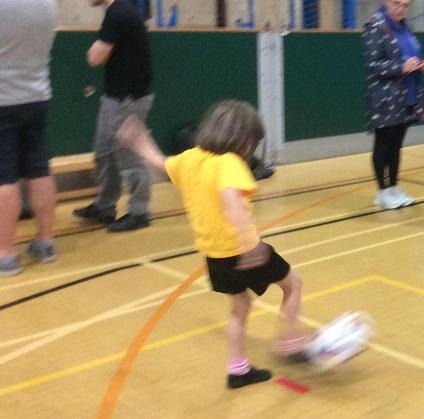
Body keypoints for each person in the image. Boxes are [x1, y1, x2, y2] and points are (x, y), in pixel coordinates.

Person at [118, 100, 309, 389]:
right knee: (293, 284)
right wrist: (248, 246)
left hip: (214, 255)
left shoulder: (191, 159)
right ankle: (289, 340)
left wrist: (140, 141)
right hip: (242, 249)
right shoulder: (229, 163)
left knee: (240, 305)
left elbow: (158, 163)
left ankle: (238, 369)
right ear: (244, 141)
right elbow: (231, 201)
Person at [73, 0, 153, 232]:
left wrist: (94, 52)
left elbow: (95, 57)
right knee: (104, 153)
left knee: (129, 156)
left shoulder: (119, 13)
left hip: (128, 99)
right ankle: (104, 206)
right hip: (116, 96)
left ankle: (140, 212)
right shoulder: (118, 11)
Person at [0, 0, 58, 276]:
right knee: (39, 169)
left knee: (3, 176)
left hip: (2, 99)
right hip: (37, 95)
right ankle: (45, 242)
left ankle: (5, 253)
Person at [363, 0, 424, 210]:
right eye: (396, 3)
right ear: (387, 1)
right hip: (385, 98)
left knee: (396, 145)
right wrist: (400, 67)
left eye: (405, 5)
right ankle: (382, 192)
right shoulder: (375, 26)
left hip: (406, 96)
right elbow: (373, 65)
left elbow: (411, 56)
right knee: (383, 144)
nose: (400, 9)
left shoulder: (406, 27)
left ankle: (393, 187)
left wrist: (422, 65)